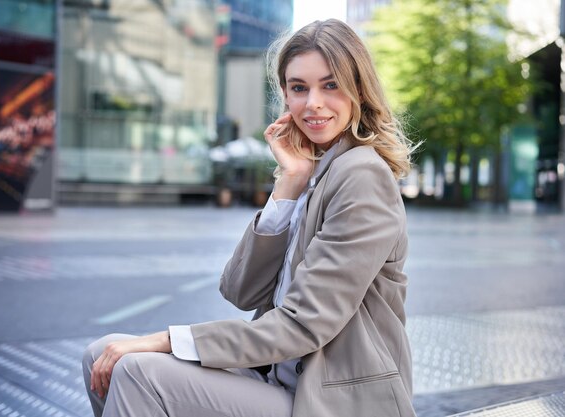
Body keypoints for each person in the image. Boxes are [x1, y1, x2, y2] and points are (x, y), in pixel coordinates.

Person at [83, 18, 417, 417]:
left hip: (331, 401)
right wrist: (289, 184)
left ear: (358, 90)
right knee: (100, 355)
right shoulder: (316, 172)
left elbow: (304, 325)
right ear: (285, 94)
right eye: (299, 88)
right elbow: (240, 290)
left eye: (330, 85)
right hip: (278, 378)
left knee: (138, 371)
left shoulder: (361, 174)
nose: (313, 103)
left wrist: (165, 340)